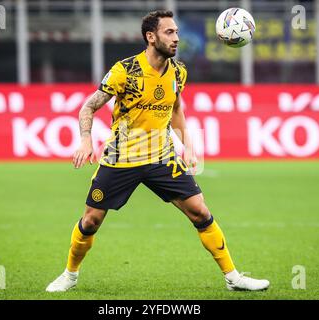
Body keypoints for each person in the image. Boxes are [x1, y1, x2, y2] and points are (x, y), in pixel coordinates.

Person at [46, 10, 269, 292]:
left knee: (200, 212)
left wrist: (187, 146)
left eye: (176, 32)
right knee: (90, 221)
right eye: (169, 32)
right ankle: (70, 274)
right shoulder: (124, 70)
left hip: (161, 155)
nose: (176, 38)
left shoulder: (178, 71)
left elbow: (176, 108)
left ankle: (233, 277)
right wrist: (86, 139)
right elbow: (88, 106)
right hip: (121, 157)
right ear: (151, 37)